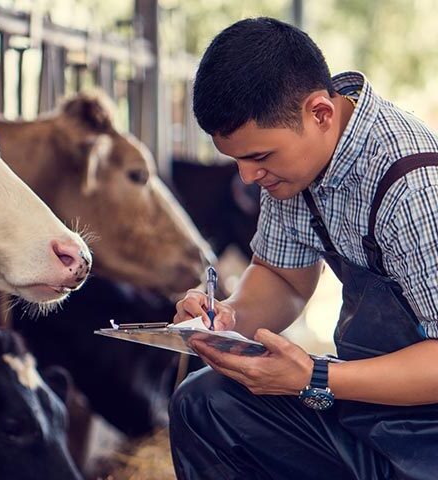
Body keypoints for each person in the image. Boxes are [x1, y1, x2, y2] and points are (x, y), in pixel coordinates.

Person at [170, 17, 438, 480]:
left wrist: (317, 379)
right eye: (237, 160)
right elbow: (284, 279)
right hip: (369, 408)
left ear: (320, 114)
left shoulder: (413, 185)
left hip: (428, 431)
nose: (248, 178)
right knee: (203, 402)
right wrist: (226, 319)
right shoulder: (295, 170)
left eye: (259, 157)